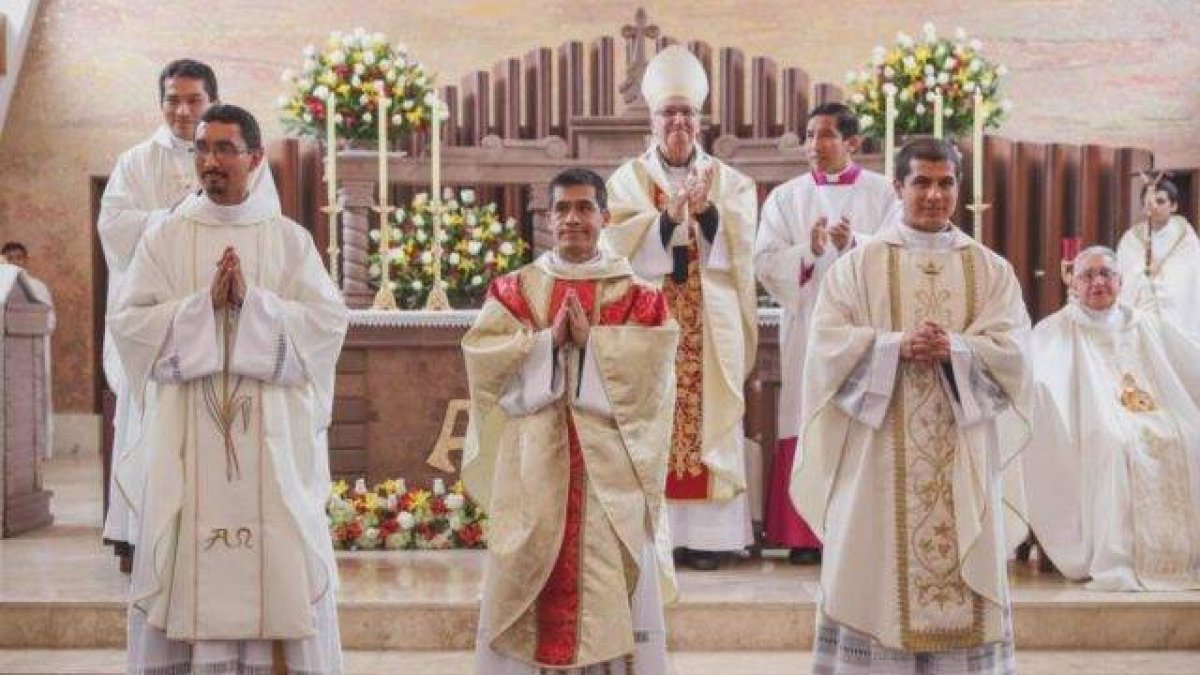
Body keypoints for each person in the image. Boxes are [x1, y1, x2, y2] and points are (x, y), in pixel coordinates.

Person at [110, 105, 346, 674]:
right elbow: (131, 326)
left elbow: (326, 325)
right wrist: (202, 309)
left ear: (255, 158)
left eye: (224, 149)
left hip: (271, 442)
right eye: (201, 150)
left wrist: (254, 307)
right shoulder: (165, 239)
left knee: (280, 553)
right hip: (188, 442)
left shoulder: (288, 240)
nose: (210, 162)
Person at [794, 138, 1030, 673]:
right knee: (872, 570)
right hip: (877, 455)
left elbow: (1016, 353)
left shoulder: (990, 269)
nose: (933, 194)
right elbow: (826, 346)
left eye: (945, 182)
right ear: (897, 188)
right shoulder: (859, 266)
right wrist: (893, 346)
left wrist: (959, 349)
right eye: (920, 182)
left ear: (959, 189)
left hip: (962, 451)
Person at [463, 168, 677, 674]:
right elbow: (484, 362)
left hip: (610, 477)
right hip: (534, 466)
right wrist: (545, 344)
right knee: (529, 571)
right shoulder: (515, 290)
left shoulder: (639, 295)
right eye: (562, 209)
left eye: (584, 208)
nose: (573, 219)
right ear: (549, 218)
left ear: (604, 216)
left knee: (608, 583)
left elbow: (654, 378)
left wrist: (593, 344)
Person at [98, 58, 280, 570]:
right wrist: (176, 218)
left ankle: (233, 531)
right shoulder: (136, 161)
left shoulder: (251, 161)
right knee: (153, 423)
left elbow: (265, 226)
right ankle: (145, 535)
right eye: (172, 99)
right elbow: (114, 227)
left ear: (212, 101)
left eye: (193, 100)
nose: (181, 110)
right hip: (168, 317)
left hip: (233, 329)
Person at [605, 45, 758, 571]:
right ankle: (658, 533)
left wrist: (708, 211)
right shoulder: (628, 180)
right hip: (651, 321)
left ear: (701, 120)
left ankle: (711, 539)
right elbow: (617, 245)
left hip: (709, 323)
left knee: (708, 418)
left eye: (687, 113)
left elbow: (742, 248)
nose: (678, 122)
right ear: (651, 121)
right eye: (668, 113)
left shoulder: (730, 181)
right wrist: (666, 221)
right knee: (653, 420)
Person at [754, 102, 896, 564]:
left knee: (860, 419)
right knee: (806, 413)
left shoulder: (882, 193)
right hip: (809, 326)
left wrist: (855, 244)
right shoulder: (786, 197)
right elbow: (765, 260)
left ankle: (858, 531)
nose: (814, 145)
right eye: (810, 135)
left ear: (853, 143)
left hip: (865, 328)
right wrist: (808, 251)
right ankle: (803, 536)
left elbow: (899, 251)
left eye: (826, 135)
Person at [1025, 245, 1200, 591]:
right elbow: (1037, 380)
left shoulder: (1144, 323)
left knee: (1190, 436)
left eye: (1106, 274)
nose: (1097, 282)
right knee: (1113, 444)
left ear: (1120, 281)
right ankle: (1118, 556)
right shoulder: (1054, 329)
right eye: (1087, 275)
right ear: (1072, 284)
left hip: (1154, 413)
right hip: (1086, 422)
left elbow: (1186, 362)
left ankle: (1186, 555)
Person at [1115, 178, 1200, 338]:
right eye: (1149, 202)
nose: (1153, 207)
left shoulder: (1186, 239)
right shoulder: (1131, 238)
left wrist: (1160, 284)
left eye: (1160, 201)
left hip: (1174, 311)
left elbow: (1190, 281)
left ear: (1173, 206)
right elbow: (1123, 276)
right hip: (1141, 310)